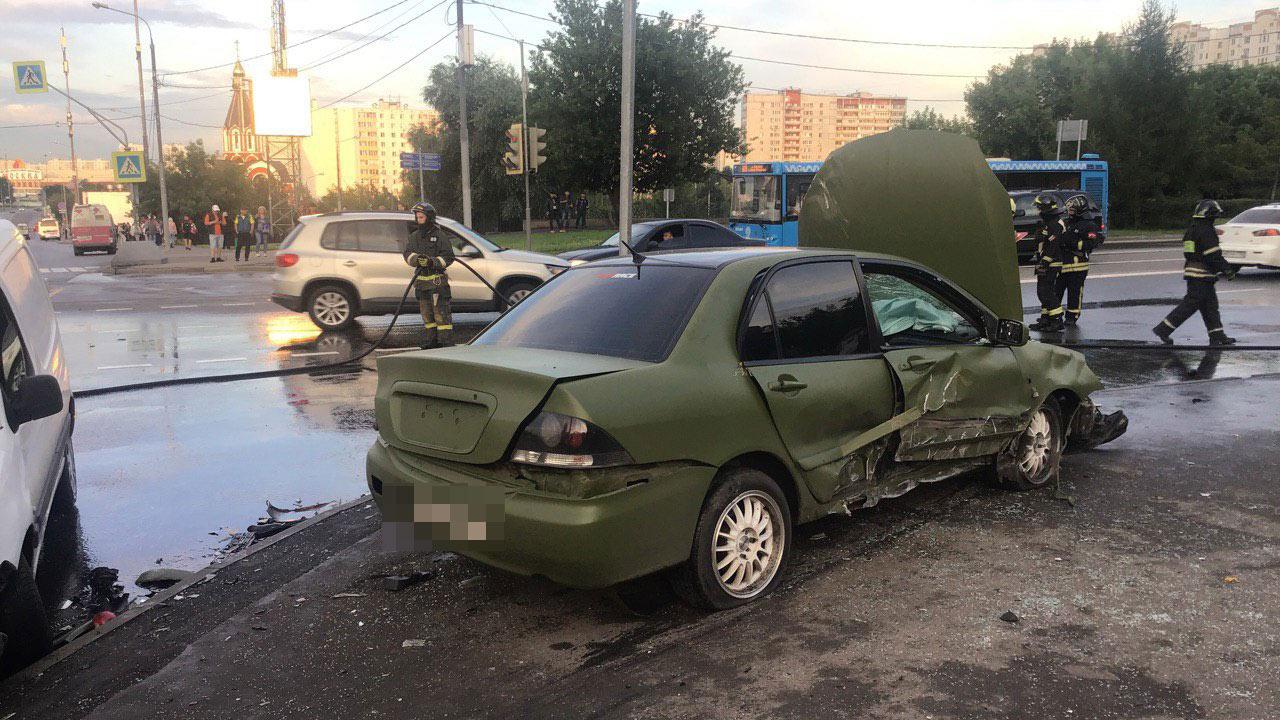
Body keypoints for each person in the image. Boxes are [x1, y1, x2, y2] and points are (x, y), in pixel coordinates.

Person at [1153, 199, 1237, 346]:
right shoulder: (1207, 231)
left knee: (1210, 306)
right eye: (1215, 215)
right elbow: (1213, 255)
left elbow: (1189, 253)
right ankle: (1163, 329)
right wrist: (1227, 269)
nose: (1215, 219)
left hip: (1195, 274)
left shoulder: (1192, 229)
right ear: (1209, 215)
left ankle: (1217, 335)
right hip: (1202, 275)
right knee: (1190, 305)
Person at [403, 202, 454, 349]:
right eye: (417, 217)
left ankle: (444, 343)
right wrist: (416, 260)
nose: (418, 219)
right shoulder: (414, 237)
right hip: (421, 284)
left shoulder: (440, 236)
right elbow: (407, 254)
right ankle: (431, 341)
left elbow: (448, 257)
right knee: (427, 315)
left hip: (437, 284)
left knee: (441, 315)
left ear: (429, 218)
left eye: (421, 216)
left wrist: (432, 262)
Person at [1055, 194, 1101, 326]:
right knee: (1056, 291)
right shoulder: (1066, 222)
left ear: (1080, 210)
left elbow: (1091, 244)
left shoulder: (1089, 225)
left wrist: (1074, 243)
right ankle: (1055, 316)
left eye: (1072, 210)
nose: (1070, 212)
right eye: (1069, 210)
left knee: (1074, 293)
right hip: (1062, 265)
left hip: (1078, 266)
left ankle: (1072, 316)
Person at [1029, 193, 1067, 332]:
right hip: (1043, 262)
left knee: (1047, 291)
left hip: (1051, 263)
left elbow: (1053, 245)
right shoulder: (1047, 223)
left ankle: (1056, 319)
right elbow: (1042, 244)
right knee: (1041, 291)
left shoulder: (1055, 224)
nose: (1038, 211)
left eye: (1039, 207)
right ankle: (1046, 319)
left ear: (1045, 209)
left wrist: (1045, 261)